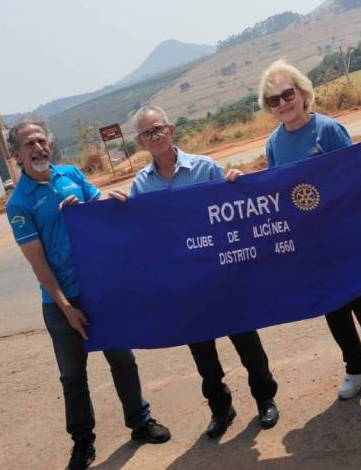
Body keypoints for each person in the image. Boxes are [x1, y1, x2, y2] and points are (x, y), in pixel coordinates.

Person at [4, 119, 171, 470]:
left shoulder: (72, 175)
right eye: (28, 144)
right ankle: (83, 442)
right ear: (16, 154)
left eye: (41, 140)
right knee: (72, 376)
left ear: (49, 144)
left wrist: (112, 199)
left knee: (122, 360)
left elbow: (100, 212)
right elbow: (37, 262)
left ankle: (140, 422)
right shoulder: (19, 203)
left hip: (100, 289)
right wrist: (66, 307)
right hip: (60, 303)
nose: (37, 148)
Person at [108, 105, 280, 440]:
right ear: (140, 142)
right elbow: (139, 232)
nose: (154, 136)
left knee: (246, 341)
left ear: (170, 129)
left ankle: (265, 398)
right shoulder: (141, 186)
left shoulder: (205, 167)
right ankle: (220, 408)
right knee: (203, 355)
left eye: (158, 128)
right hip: (184, 284)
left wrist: (236, 183)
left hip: (222, 276)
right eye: (147, 133)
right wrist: (116, 209)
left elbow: (232, 209)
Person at [242, 59, 361, 401]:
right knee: (334, 307)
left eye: (287, 94)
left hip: (349, 236)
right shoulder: (273, 144)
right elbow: (275, 192)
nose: (283, 103)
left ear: (303, 92)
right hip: (311, 243)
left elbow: (355, 177)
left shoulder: (328, 129)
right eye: (273, 99)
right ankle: (356, 369)